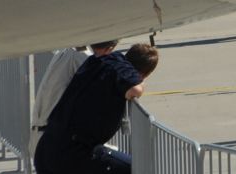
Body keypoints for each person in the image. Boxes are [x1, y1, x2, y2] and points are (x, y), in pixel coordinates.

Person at [33, 43, 158, 174]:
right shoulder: (123, 70)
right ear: (145, 74)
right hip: (71, 152)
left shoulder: (101, 60)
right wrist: (141, 82)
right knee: (136, 169)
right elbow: (135, 90)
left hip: (46, 148)